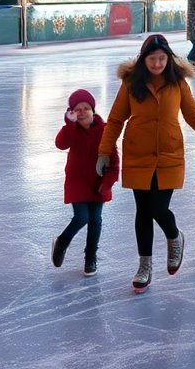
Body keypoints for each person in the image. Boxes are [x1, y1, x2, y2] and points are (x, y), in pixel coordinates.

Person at [98, 34, 195, 293]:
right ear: (144, 60)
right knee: (143, 210)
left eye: (162, 58)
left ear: (169, 58)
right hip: (137, 154)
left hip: (168, 154)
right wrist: (104, 152)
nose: (157, 63)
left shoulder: (178, 83)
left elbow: (194, 117)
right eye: (152, 59)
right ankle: (144, 265)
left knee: (158, 208)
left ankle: (174, 237)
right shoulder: (131, 84)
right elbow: (116, 119)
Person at [54, 89, 119, 278]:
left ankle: (90, 257)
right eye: (77, 110)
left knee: (95, 221)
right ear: (71, 113)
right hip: (77, 183)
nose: (82, 112)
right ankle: (62, 242)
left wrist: (107, 183)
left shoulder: (105, 131)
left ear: (93, 110)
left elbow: (114, 163)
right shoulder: (71, 131)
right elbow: (60, 144)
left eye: (86, 108)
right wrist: (69, 125)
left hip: (98, 184)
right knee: (82, 217)